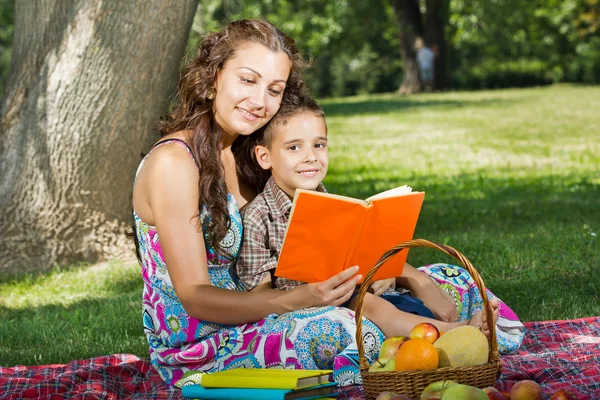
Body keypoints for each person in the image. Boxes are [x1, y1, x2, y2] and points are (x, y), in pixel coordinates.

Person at [132, 19, 389, 388]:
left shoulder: (250, 153)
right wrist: (299, 300)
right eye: (248, 80)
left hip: (266, 310)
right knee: (338, 328)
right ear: (213, 77)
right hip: (202, 347)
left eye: (274, 90)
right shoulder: (175, 163)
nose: (260, 102)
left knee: (448, 280)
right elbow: (195, 298)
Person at [236, 97, 525, 343]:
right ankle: (453, 334)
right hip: (311, 307)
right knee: (371, 307)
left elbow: (354, 253)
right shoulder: (259, 216)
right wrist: (309, 295)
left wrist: (383, 269)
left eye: (319, 145)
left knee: (422, 286)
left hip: (358, 289)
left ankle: (479, 329)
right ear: (264, 156)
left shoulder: (328, 201)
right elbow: (261, 297)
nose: (311, 157)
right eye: (294, 147)